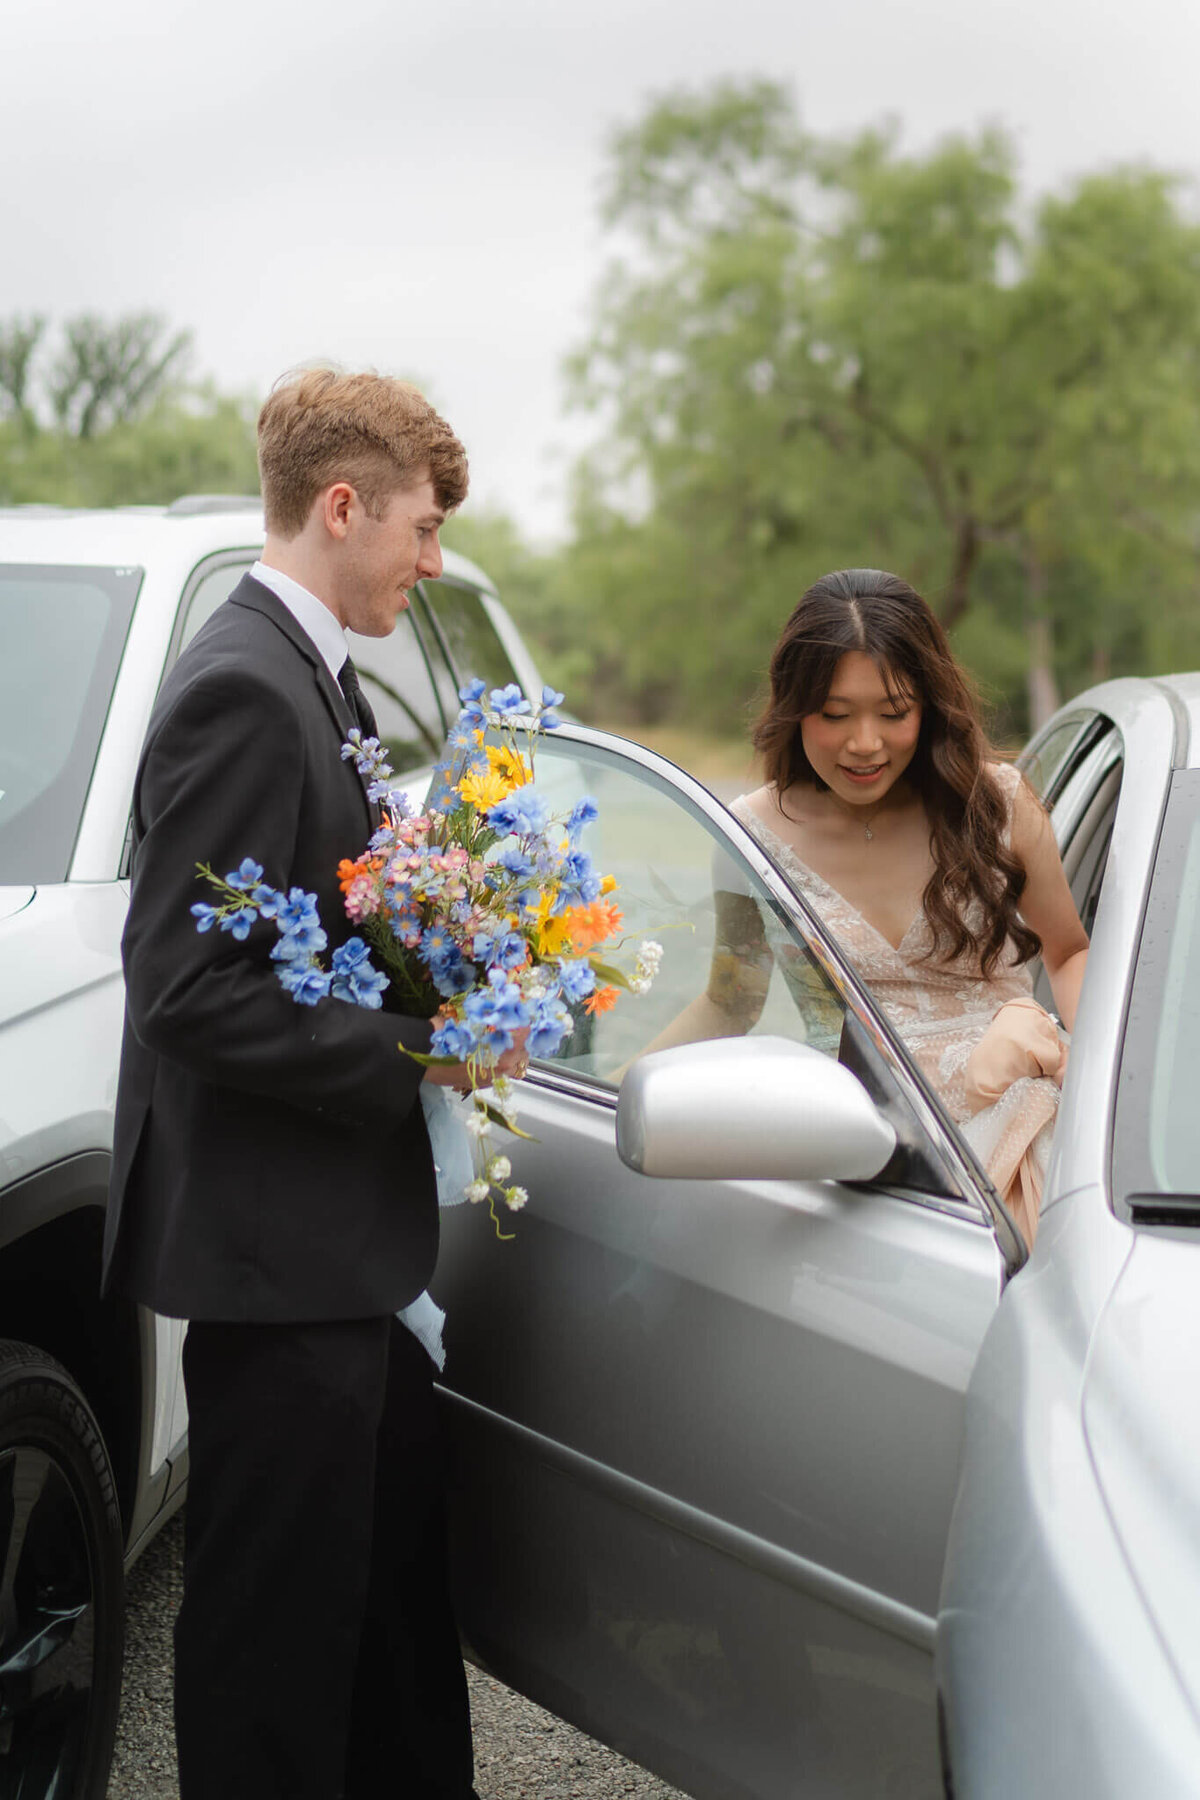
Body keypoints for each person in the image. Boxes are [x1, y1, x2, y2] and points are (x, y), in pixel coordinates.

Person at [103, 368, 510, 1799]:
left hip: (343, 1250)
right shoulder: (243, 686)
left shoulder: (314, 671)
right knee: (273, 1658)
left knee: (384, 1622)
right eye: (423, 526)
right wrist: (425, 1050)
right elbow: (185, 988)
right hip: (279, 1263)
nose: (433, 561)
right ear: (343, 507)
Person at [661, 567, 1088, 1250]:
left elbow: (1068, 953)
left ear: (930, 707)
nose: (866, 742)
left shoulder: (997, 806)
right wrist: (612, 1093)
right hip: (862, 1150)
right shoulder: (749, 840)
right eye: (835, 715)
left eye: (893, 713)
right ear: (794, 707)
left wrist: (1100, 1082)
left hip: (1023, 1124)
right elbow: (730, 1004)